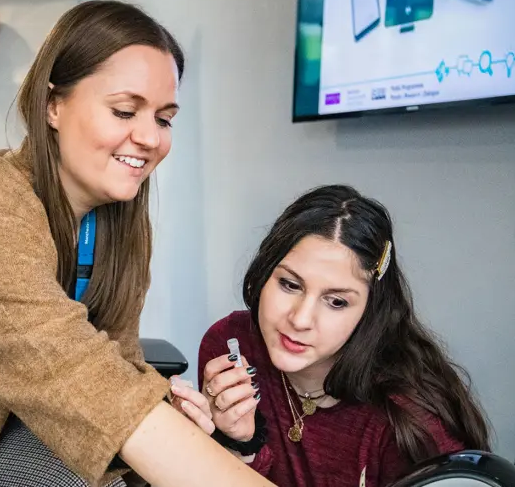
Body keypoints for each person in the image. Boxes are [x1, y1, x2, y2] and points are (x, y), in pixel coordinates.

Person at [0, 0, 274, 487]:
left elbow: (118, 360)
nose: (150, 138)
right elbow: (81, 383)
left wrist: (165, 407)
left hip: (9, 423)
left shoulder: (113, 221)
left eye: (165, 119)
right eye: (125, 111)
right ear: (52, 105)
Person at [194, 185, 491, 486]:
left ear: (369, 310)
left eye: (336, 302)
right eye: (290, 285)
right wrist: (238, 444)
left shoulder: (408, 420)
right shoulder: (231, 346)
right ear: (265, 272)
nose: (300, 319)